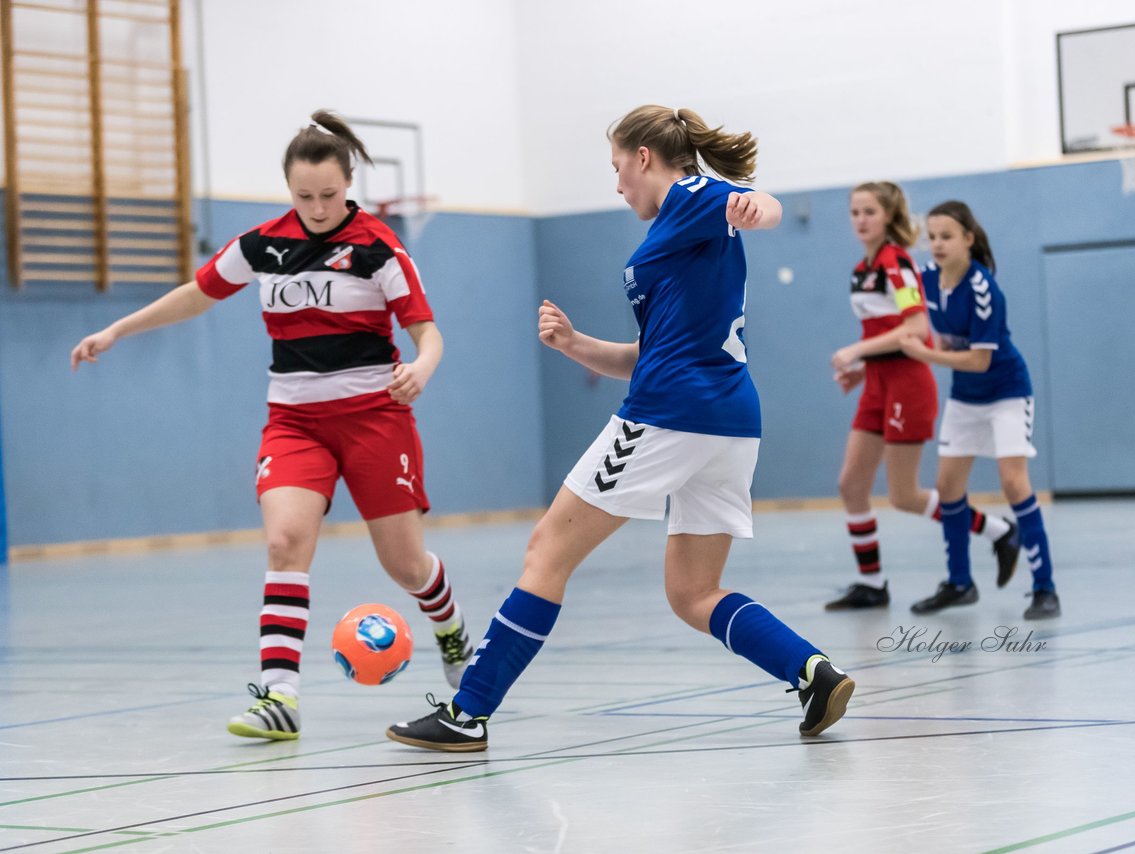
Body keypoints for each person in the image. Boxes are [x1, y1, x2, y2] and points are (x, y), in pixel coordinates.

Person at [386, 105, 854, 753]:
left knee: (546, 552)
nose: (616, 185)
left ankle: (468, 713)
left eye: (616, 168)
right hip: (729, 419)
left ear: (643, 158)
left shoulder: (690, 195)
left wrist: (757, 210)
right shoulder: (678, 234)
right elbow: (644, 353)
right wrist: (575, 344)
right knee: (694, 593)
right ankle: (812, 672)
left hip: (670, 411)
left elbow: (758, 203)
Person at [70, 110, 475, 740]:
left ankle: (450, 629)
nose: (316, 207)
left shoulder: (378, 249)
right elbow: (197, 292)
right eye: (303, 195)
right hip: (295, 423)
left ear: (349, 183)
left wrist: (422, 365)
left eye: (328, 195)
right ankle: (279, 696)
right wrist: (117, 330)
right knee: (286, 542)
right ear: (289, 190)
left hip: (374, 419)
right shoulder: (263, 244)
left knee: (404, 564)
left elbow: (427, 331)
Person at [827, 182, 1018, 611]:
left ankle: (997, 531)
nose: (860, 220)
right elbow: (882, 331)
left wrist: (856, 351)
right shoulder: (863, 268)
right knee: (851, 484)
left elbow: (915, 329)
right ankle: (871, 583)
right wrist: (861, 369)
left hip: (908, 385)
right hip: (877, 383)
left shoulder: (898, 264)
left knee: (904, 495)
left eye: (869, 211)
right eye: (855, 212)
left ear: (888, 215)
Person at [899, 200, 1060, 620]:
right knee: (948, 487)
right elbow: (902, 306)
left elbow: (981, 361)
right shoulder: (925, 279)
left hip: (1006, 392)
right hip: (965, 398)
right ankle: (959, 583)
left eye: (946, 236)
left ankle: (1045, 589)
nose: (936, 244)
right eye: (931, 237)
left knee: (1013, 482)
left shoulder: (985, 288)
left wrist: (926, 355)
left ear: (968, 239)